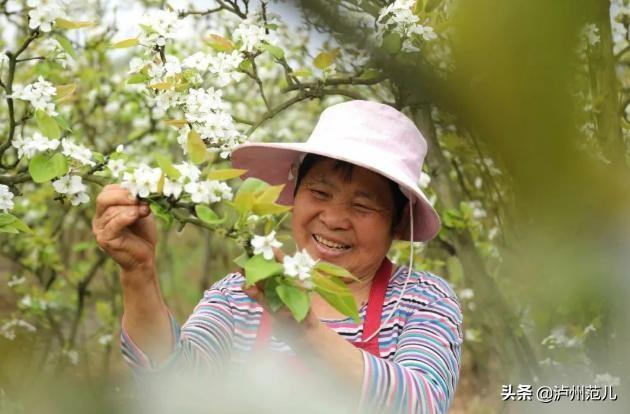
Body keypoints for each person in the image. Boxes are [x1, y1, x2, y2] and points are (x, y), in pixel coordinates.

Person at [92, 100, 463, 413]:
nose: (333, 219)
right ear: (294, 193)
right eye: (319, 192)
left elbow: (422, 403)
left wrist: (306, 331)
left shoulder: (421, 301)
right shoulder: (241, 294)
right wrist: (138, 272)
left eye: (362, 206)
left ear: (398, 223)